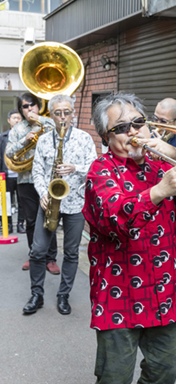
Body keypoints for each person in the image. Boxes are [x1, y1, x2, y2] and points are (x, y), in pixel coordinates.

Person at [83, 92, 176, 384]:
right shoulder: (100, 171)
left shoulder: (161, 164)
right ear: (106, 136)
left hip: (165, 289)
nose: (133, 132)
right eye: (122, 128)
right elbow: (114, 218)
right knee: (115, 377)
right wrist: (157, 192)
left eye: (139, 123)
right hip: (119, 293)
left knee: (164, 372)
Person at [22, 94, 97, 316]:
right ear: (51, 115)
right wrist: (43, 193)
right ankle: (37, 294)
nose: (63, 117)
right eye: (58, 113)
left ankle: (63, 295)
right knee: (37, 251)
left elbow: (94, 168)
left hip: (75, 203)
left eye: (67, 112)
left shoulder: (84, 138)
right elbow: (37, 170)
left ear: (73, 114)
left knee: (72, 253)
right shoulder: (44, 139)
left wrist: (76, 168)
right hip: (49, 203)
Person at [6, 93, 59, 273]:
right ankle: (34, 254)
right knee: (30, 221)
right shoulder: (17, 130)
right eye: (25, 107)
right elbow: (9, 153)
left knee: (49, 216)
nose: (29, 109)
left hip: (47, 180)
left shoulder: (48, 122)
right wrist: (24, 140)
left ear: (38, 106)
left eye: (32, 105)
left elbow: (58, 130)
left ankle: (51, 258)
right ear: (21, 110)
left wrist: (39, 120)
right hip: (26, 181)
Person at [0, 109, 25, 234]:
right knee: (6, 201)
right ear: (9, 120)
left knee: (22, 201)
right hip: (7, 175)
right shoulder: (2, 137)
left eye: (19, 118)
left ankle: (20, 224)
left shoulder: (26, 136)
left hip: (22, 174)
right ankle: (8, 224)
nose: (16, 120)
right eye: (14, 118)